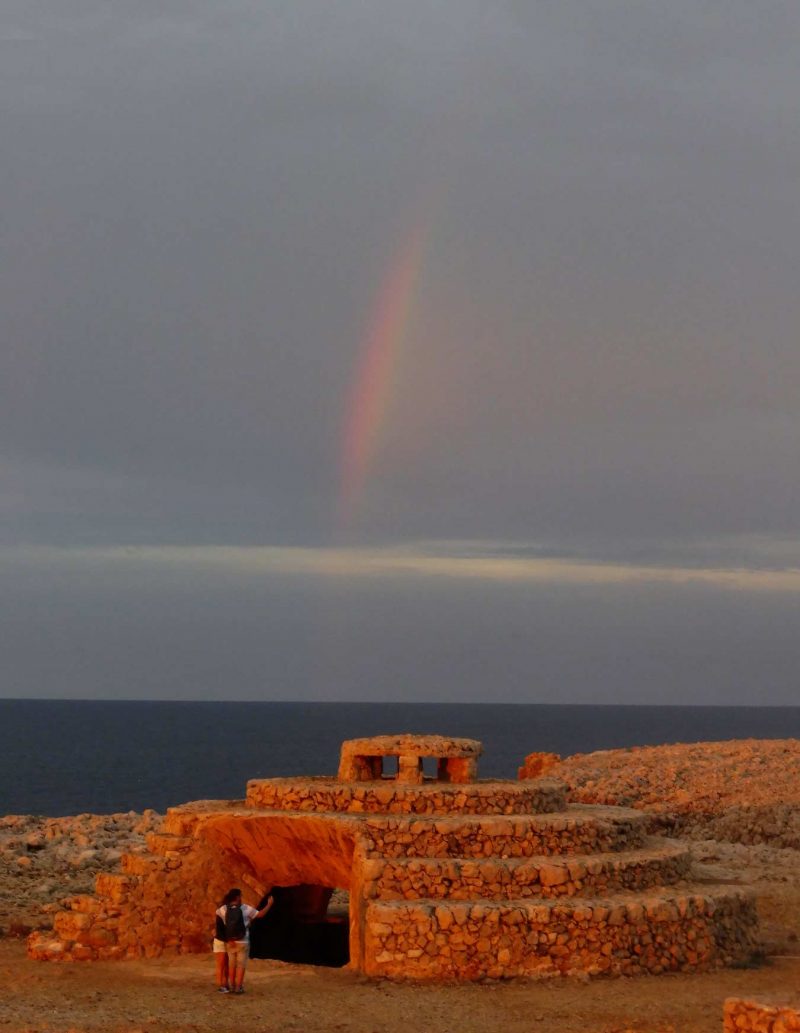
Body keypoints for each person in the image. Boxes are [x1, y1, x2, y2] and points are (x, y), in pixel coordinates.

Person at [215, 887, 274, 994]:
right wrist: (269, 904)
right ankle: (238, 987)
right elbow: (260, 914)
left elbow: (217, 913)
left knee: (231, 965)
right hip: (243, 941)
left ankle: (231, 986)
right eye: (241, 896)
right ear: (237, 897)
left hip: (230, 941)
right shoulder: (245, 908)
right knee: (241, 965)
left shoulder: (223, 909)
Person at [212, 911, 230, 993]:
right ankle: (221, 985)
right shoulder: (221, 913)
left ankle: (225, 983)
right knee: (221, 964)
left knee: (225, 964)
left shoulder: (223, 913)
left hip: (223, 940)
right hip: (221, 941)